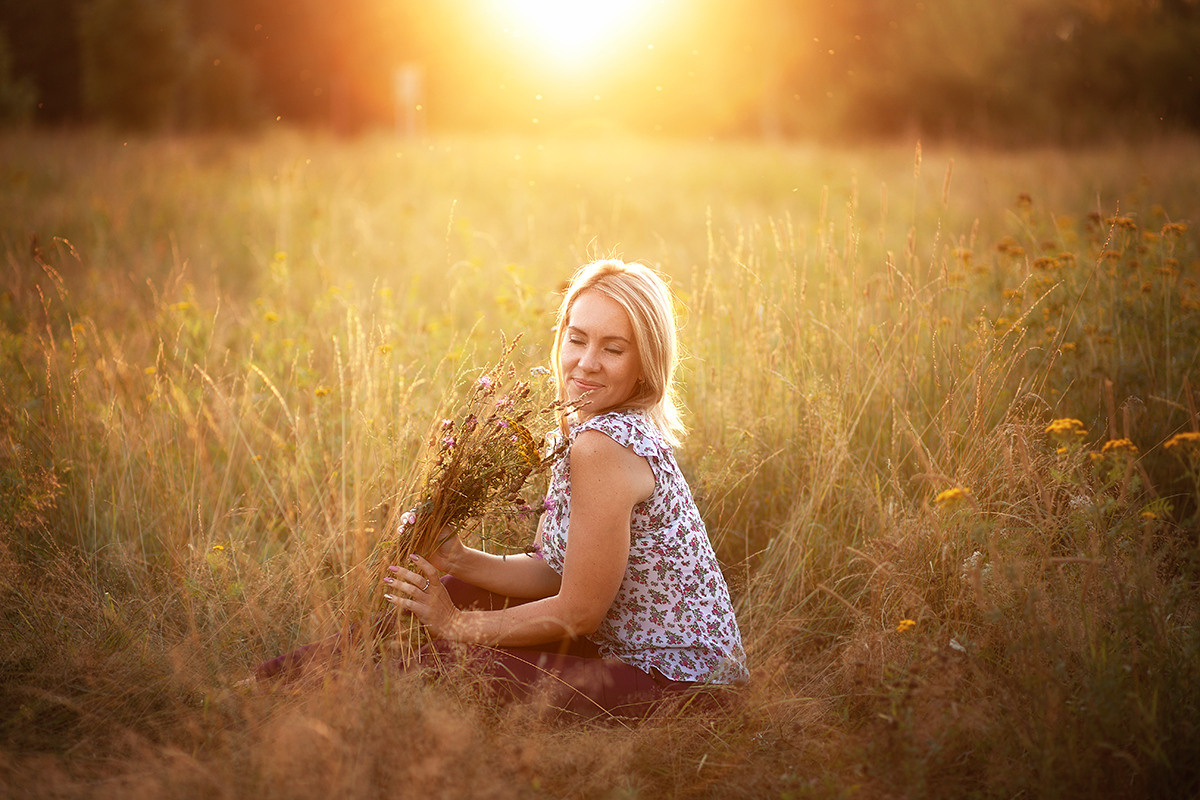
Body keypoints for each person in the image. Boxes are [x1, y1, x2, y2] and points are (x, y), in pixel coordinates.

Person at [257, 259, 748, 718]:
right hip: (617, 652)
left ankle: (286, 698)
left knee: (439, 660)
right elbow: (555, 573)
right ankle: (271, 684)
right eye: (577, 339)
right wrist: (461, 559)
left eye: (613, 349)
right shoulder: (590, 428)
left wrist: (456, 626)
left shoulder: (605, 446)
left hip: (682, 688)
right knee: (457, 591)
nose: (586, 362)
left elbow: (578, 611)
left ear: (645, 363)